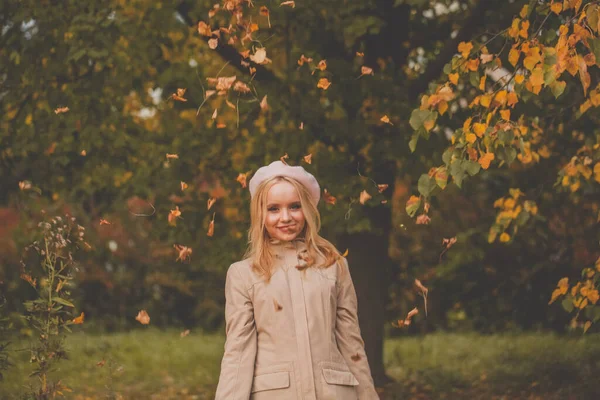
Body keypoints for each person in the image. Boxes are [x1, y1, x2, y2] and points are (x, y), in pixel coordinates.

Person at [215, 160, 379, 400]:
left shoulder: (334, 265)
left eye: (295, 206)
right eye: (273, 209)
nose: (285, 217)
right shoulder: (244, 274)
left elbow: (352, 344)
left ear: (308, 209)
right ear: (260, 214)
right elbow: (238, 352)